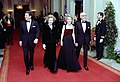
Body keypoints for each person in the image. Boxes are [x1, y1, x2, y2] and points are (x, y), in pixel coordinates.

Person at [19, 11, 40, 75]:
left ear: (30, 16)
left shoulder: (35, 23)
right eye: (25, 15)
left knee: (31, 54)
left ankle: (31, 64)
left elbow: (38, 31)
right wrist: (20, 40)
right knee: (25, 54)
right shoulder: (22, 23)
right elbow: (21, 32)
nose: (25, 16)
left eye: (26, 15)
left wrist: (36, 38)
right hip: (24, 41)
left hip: (32, 41)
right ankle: (27, 67)